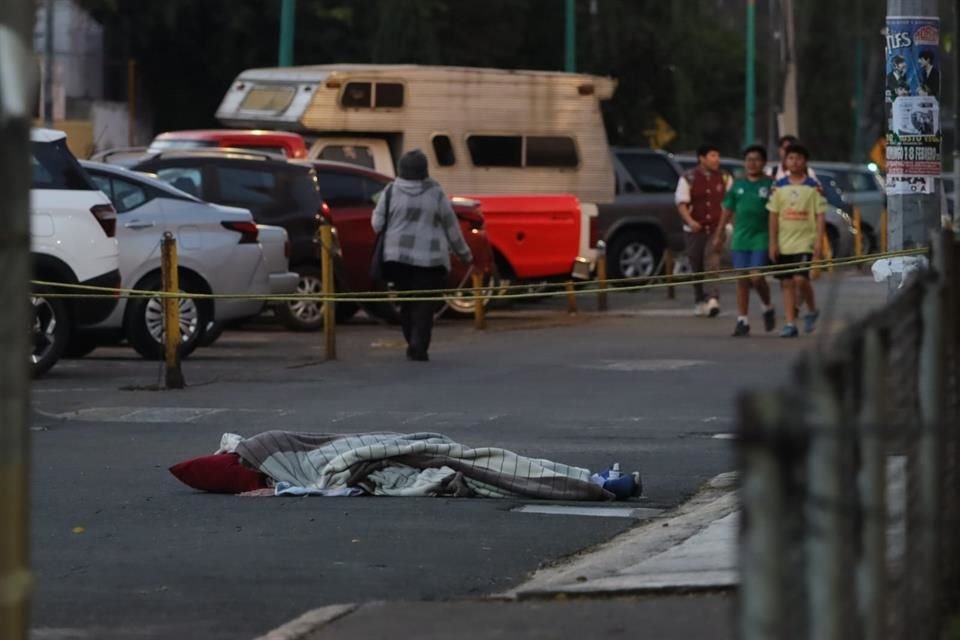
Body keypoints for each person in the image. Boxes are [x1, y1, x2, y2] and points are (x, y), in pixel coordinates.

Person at [371, 149, 472, 361]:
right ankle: (419, 346)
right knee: (425, 305)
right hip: (430, 260)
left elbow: (377, 224)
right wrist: (464, 255)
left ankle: (411, 341)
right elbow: (451, 226)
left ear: (401, 169)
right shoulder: (435, 193)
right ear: (424, 170)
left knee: (406, 302)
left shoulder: (390, 191)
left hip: (398, 259)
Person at [714, 145, 776, 337]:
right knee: (742, 279)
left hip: (761, 236)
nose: (752, 163)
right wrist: (720, 233)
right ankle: (743, 320)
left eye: (757, 159)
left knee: (756, 277)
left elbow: (776, 212)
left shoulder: (770, 185)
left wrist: (775, 240)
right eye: (749, 160)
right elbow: (727, 210)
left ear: (764, 163)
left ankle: (767, 307)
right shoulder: (738, 185)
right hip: (741, 238)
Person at [766, 144, 826, 338]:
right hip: (784, 242)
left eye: (798, 158)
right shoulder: (779, 186)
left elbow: (820, 215)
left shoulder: (813, 186)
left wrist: (818, 242)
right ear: (785, 161)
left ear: (805, 161)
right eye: (791, 158)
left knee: (801, 279)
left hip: (805, 242)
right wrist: (773, 243)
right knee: (787, 283)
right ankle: (790, 323)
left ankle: (812, 309)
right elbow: (773, 215)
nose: (794, 162)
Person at [675, 144, 729, 317]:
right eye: (713, 155)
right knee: (696, 264)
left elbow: (729, 205)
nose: (717, 160)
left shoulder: (725, 178)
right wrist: (690, 221)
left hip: (715, 227)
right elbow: (681, 204)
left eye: (718, 155)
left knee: (712, 261)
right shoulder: (688, 178)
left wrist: (725, 226)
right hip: (694, 229)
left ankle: (713, 298)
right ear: (702, 158)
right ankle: (699, 299)